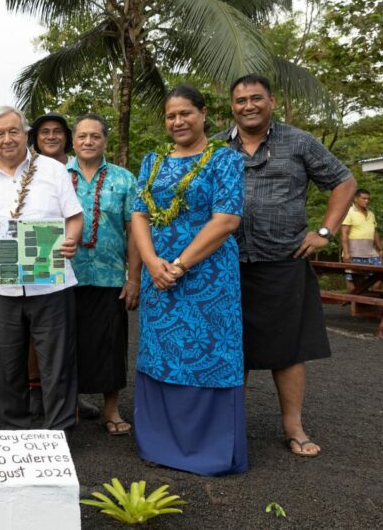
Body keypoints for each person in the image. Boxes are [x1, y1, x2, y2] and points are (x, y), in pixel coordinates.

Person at [217, 74, 356, 458]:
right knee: (232, 348)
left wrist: (325, 231)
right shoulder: (215, 148)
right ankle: (230, 425)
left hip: (283, 260)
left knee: (289, 350)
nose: (248, 105)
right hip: (226, 265)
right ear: (232, 106)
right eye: (240, 99)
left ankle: (293, 425)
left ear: (271, 101)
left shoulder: (299, 142)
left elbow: (344, 182)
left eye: (256, 98)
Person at [131, 86, 246, 475]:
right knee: (162, 352)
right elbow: (139, 215)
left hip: (207, 277)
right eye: (170, 116)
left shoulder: (224, 160)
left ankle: (207, 450)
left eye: (185, 113)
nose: (177, 121)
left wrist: (178, 265)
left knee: (208, 352)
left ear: (203, 113)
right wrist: (151, 262)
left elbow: (227, 219)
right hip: (157, 274)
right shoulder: (152, 161)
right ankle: (160, 443)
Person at [0, 106, 84, 431]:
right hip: (2, 288)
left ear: (24, 133)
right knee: (8, 361)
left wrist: (71, 240)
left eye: (13, 131)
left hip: (51, 285)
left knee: (56, 361)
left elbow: (74, 217)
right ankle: (16, 427)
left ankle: (60, 431)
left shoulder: (52, 170)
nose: (7, 139)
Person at [68, 113, 140, 436]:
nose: (87, 141)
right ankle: (68, 407)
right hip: (63, 277)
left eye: (94, 136)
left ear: (105, 141)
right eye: (81, 136)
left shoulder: (124, 179)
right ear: (73, 141)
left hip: (110, 277)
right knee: (65, 344)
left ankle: (111, 408)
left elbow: (134, 230)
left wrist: (134, 277)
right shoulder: (54, 177)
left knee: (110, 343)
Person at [27, 112, 101, 421]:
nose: (52, 136)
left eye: (58, 131)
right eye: (45, 132)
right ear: (35, 138)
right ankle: (36, 392)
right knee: (38, 337)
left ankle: (70, 396)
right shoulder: (25, 171)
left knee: (76, 337)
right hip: (42, 268)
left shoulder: (80, 166)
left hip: (90, 267)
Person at [340, 189, 383, 293]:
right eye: (364, 198)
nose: (367, 201)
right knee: (351, 278)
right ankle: (354, 303)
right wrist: (346, 253)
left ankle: (373, 302)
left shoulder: (371, 213)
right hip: (354, 252)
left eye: (368, 199)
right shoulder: (349, 212)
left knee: (380, 276)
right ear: (356, 199)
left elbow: (375, 232)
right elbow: (344, 233)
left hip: (371, 252)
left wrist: (381, 249)